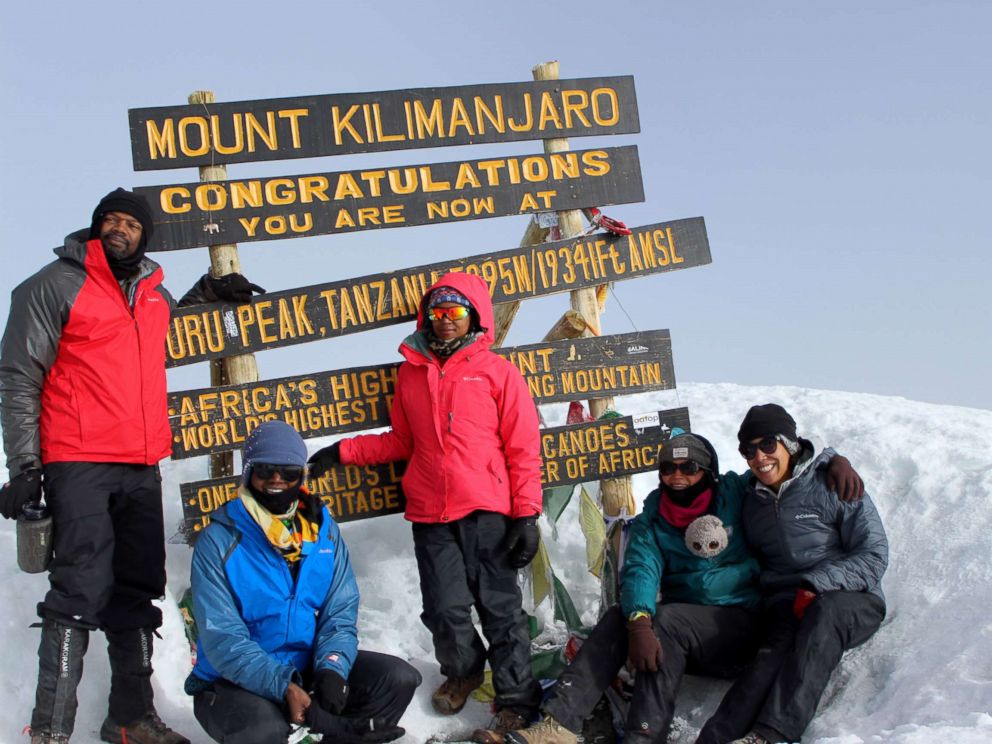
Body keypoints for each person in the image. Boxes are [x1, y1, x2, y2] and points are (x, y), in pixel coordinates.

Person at [0, 188, 264, 744]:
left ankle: (129, 719)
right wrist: (25, 464)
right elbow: (18, 375)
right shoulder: (51, 286)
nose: (120, 228)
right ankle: (49, 732)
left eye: (131, 223)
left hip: (141, 464)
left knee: (137, 589)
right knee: (78, 590)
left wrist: (209, 292)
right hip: (78, 460)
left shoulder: (151, 292)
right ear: (96, 227)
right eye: (110, 220)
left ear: (145, 235)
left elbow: (162, 327)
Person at [308, 272, 544, 744]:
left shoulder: (497, 372)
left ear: (474, 316)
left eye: (456, 312)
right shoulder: (412, 372)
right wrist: (344, 451)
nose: (445, 321)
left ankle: (517, 700)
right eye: (437, 312)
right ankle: (464, 673)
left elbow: (522, 447)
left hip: (489, 512)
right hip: (431, 512)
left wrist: (526, 514)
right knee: (443, 607)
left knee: (500, 609)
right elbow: (402, 440)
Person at [505, 432, 862, 744]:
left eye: (689, 468)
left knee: (667, 621)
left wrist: (832, 460)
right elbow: (641, 569)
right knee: (624, 617)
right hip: (684, 632)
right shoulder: (654, 518)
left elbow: (779, 462)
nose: (677, 476)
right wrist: (639, 622)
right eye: (668, 469)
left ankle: (642, 737)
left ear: (708, 474)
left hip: (742, 624)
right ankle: (559, 725)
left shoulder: (735, 494)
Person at [186, 420, 420, 744]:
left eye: (288, 472)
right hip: (232, 681)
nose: (276, 480)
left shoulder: (322, 532)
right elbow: (223, 639)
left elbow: (340, 611)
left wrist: (331, 669)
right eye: (265, 470)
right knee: (263, 730)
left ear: (302, 475)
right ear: (248, 473)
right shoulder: (219, 541)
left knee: (397, 678)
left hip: (305, 664)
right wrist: (285, 687)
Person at [696, 403, 888, 744]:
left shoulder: (832, 483)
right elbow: (702, 487)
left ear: (790, 443)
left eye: (768, 444)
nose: (759, 456)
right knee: (767, 659)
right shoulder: (749, 494)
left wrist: (817, 583)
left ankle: (773, 735)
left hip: (850, 599)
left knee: (823, 615)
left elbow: (874, 554)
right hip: (786, 601)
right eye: (748, 450)